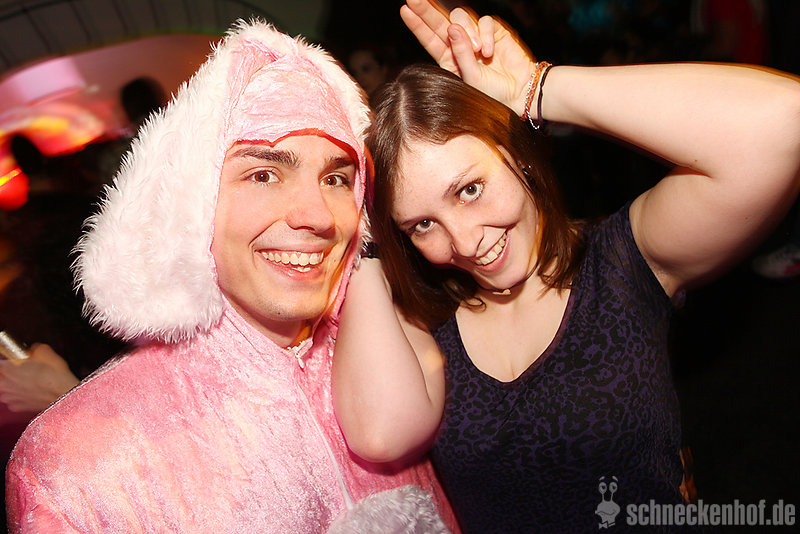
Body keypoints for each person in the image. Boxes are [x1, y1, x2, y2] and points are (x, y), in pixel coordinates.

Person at [332, 0, 800, 532]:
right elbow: (379, 435)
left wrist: (535, 88)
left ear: (516, 154)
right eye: (421, 224)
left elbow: (783, 121)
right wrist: (360, 228)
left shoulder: (621, 260)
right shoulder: (425, 318)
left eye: (470, 189)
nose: (463, 241)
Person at [5, 21, 457, 533]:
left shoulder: (386, 358)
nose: (318, 215)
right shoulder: (77, 470)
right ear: (193, 203)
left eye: (335, 178)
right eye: (263, 174)